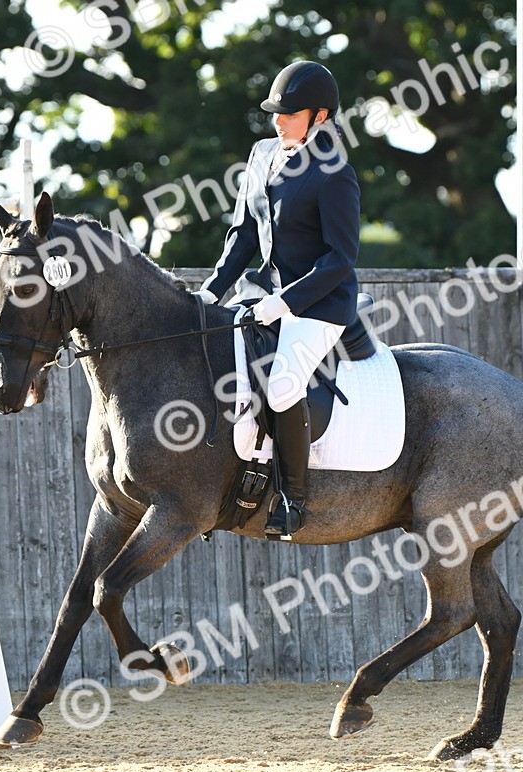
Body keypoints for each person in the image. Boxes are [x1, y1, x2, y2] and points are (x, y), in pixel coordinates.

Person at [194, 60, 360, 539]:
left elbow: (339, 260)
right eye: (275, 113)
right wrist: (212, 290)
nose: (277, 121)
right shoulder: (262, 154)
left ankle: (292, 498)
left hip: (320, 305)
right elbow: (244, 234)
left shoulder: (335, 174)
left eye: (289, 114)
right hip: (261, 291)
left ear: (321, 116)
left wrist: (284, 303)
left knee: (284, 385)